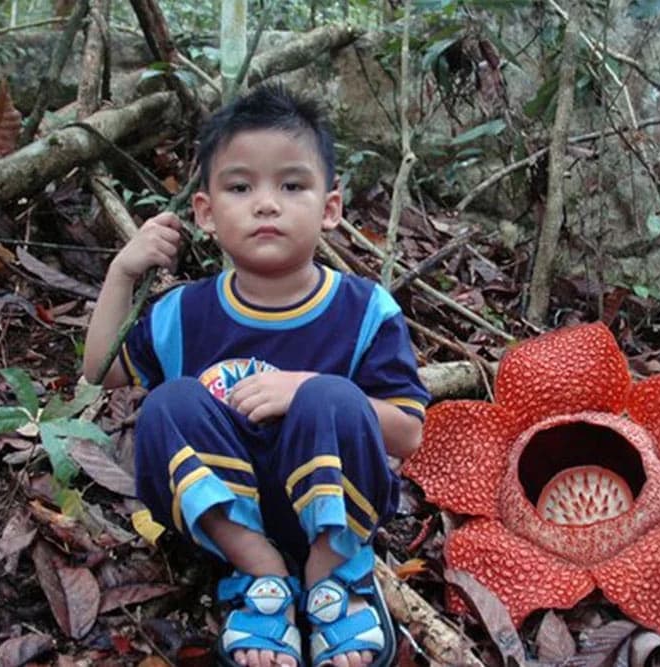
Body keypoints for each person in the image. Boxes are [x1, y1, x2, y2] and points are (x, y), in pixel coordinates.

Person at [83, 84, 429, 667]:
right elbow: (101, 371)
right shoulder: (183, 313)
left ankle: (333, 576)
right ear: (205, 213)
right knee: (168, 403)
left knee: (332, 397)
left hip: (334, 510)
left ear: (330, 208)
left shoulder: (365, 310)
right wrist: (122, 273)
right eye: (240, 187)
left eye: (291, 186)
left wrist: (304, 389)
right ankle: (258, 570)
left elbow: (408, 433)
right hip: (225, 511)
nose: (266, 204)